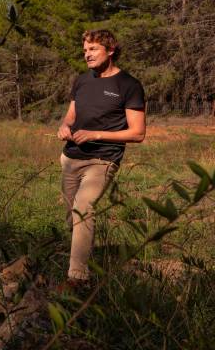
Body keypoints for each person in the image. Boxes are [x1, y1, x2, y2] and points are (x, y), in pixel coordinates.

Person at [56, 29, 146, 286]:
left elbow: (138, 133)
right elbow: (71, 116)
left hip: (103, 160)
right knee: (71, 215)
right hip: (70, 158)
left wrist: (96, 134)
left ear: (111, 50)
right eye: (85, 50)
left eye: (93, 49)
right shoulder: (82, 81)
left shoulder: (129, 85)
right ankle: (79, 254)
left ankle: (77, 278)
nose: (87, 54)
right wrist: (64, 126)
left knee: (83, 208)